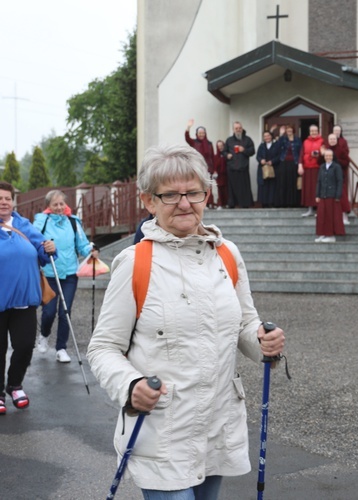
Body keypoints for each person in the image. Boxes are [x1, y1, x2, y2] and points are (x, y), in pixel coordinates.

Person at [87, 145, 285, 498]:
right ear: (149, 201)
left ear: (206, 194)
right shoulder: (136, 263)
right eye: (171, 195)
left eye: (194, 192)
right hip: (163, 432)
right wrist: (131, 386)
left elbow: (244, 323)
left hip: (217, 426)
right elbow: (103, 348)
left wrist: (261, 341)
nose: (184, 203)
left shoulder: (227, 253)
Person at [0, 181, 56, 413]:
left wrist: (49, 248)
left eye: (7, 198)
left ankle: (15, 385)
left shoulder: (24, 224)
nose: (3, 202)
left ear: (13, 201)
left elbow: (42, 250)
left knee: (24, 346)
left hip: (25, 300)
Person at [33, 190, 97, 363]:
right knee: (49, 312)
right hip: (49, 273)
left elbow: (82, 245)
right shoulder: (42, 221)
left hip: (70, 274)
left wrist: (90, 250)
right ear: (49, 206)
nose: (59, 207)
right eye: (55, 204)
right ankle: (44, 335)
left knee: (65, 312)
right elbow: (33, 241)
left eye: (62, 204)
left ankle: (61, 348)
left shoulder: (73, 222)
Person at [314, 149, 345, 243]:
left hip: (332, 195)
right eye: (326, 156)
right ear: (324, 157)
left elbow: (340, 181)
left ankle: (330, 236)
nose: (328, 157)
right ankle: (322, 234)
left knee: (329, 216)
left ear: (332, 156)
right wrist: (317, 195)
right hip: (322, 195)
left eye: (330, 156)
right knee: (321, 216)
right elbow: (319, 181)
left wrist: (338, 195)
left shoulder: (336, 167)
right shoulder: (322, 167)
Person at [223, 121, 256, 208]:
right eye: (236, 128)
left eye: (239, 128)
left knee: (244, 188)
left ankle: (244, 204)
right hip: (232, 168)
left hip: (243, 168)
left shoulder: (247, 139)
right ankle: (232, 204)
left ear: (242, 128)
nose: (238, 130)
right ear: (233, 130)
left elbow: (252, 151)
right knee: (232, 188)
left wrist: (243, 150)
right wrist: (227, 155)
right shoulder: (229, 140)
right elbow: (224, 152)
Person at [185, 119, 216, 208]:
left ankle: (209, 203)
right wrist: (188, 127)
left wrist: (214, 170)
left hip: (207, 168)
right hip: (197, 168)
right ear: (197, 134)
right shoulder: (194, 142)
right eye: (200, 133)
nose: (201, 134)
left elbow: (212, 157)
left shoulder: (209, 144)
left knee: (208, 186)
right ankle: (200, 203)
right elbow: (187, 138)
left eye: (203, 133)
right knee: (198, 186)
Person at [324, 133, 352, 225]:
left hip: (339, 177)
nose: (332, 141)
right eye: (330, 139)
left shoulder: (341, 150)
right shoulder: (326, 150)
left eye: (334, 139)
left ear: (336, 140)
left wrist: (336, 161)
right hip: (328, 178)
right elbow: (320, 162)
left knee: (342, 196)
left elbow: (346, 162)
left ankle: (344, 216)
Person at [299, 124, 324, 217]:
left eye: (315, 131)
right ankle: (309, 209)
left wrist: (319, 154)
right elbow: (301, 154)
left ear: (318, 131)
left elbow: (325, 153)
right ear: (309, 132)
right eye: (312, 131)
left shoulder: (322, 141)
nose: (313, 132)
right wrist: (300, 165)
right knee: (308, 189)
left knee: (317, 189)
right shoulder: (305, 141)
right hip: (307, 168)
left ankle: (319, 209)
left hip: (317, 168)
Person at [276, 125, 301, 208]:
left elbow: (300, 152)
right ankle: (283, 203)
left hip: (294, 163)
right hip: (283, 163)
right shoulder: (283, 139)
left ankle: (293, 203)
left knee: (293, 183)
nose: (289, 131)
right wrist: (280, 134)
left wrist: (300, 164)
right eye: (287, 130)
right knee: (283, 182)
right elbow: (277, 147)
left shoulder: (298, 140)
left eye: (290, 130)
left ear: (293, 130)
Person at [256, 131, 281, 208]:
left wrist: (272, 161)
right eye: (265, 136)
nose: (267, 137)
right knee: (264, 186)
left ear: (271, 136)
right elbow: (258, 156)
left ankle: (272, 202)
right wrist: (261, 160)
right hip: (263, 169)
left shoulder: (276, 145)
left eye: (268, 135)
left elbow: (279, 156)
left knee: (272, 186)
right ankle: (264, 203)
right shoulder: (261, 146)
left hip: (274, 168)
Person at [214, 140, 229, 209]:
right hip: (219, 176)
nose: (220, 147)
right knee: (219, 190)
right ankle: (220, 204)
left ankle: (227, 203)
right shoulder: (216, 156)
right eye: (218, 146)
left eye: (221, 146)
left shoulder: (227, 154)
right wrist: (215, 172)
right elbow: (214, 166)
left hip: (226, 175)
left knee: (226, 190)